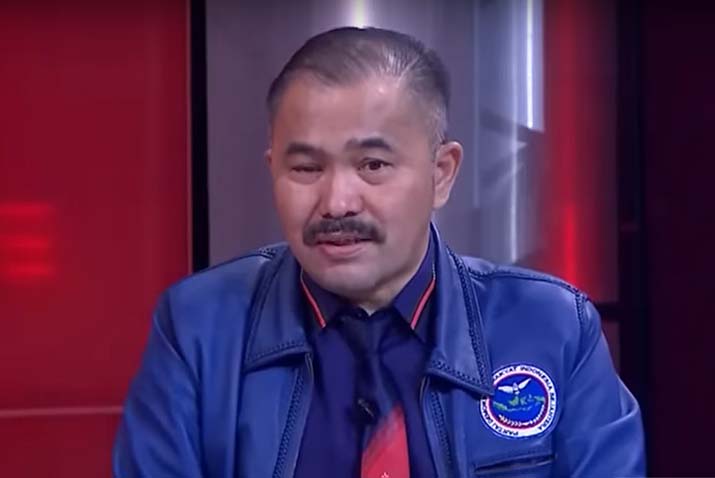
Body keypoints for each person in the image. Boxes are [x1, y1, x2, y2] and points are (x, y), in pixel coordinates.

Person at [113, 27, 645, 477]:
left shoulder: (553, 329)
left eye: (373, 166)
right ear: (272, 169)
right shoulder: (198, 329)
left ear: (442, 174)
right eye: (306, 168)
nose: (336, 202)